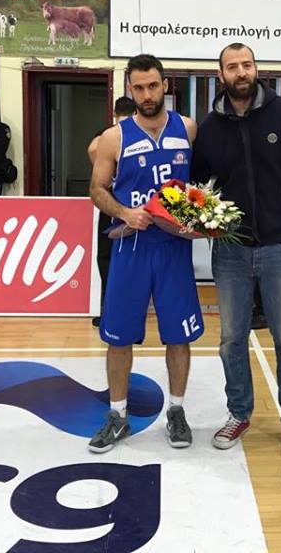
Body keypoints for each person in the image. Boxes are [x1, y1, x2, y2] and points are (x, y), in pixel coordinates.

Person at [191, 42, 281, 460]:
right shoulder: (211, 127)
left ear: (256, 69)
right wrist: (204, 221)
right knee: (231, 340)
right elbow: (199, 186)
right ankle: (239, 413)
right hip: (231, 250)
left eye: (246, 64)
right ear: (221, 76)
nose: (241, 72)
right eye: (232, 67)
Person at [88, 55, 203, 454]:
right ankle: (117, 415)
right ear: (129, 90)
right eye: (138, 88)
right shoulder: (113, 137)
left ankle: (177, 411)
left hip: (173, 249)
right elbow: (97, 189)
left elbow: (200, 185)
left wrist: (201, 216)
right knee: (119, 337)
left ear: (165, 85)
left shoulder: (188, 128)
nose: (147, 94)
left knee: (178, 336)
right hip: (131, 248)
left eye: (153, 86)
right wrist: (124, 212)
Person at [87, 95, 136, 328]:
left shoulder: (108, 135)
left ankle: (109, 310)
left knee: (106, 258)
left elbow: (92, 149)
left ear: (114, 114)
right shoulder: (138, 133)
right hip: (135, 203)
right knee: (133, 258)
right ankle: (130, 309)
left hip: (111, 202)